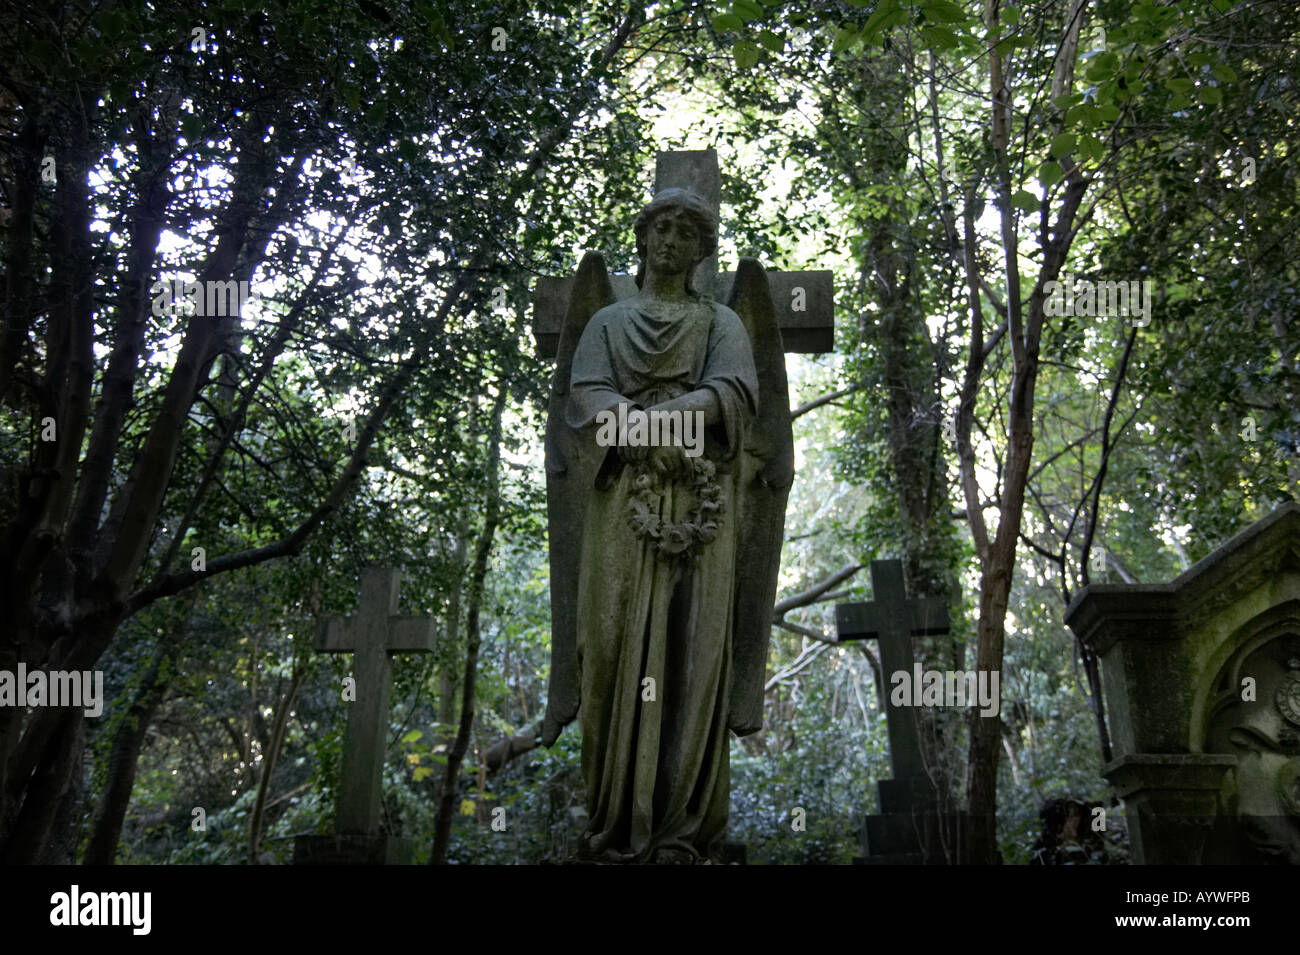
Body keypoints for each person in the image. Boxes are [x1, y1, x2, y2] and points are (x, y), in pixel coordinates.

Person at [561, 188, 758, 863]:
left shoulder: (721, 323)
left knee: (692, 650)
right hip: (623, 499)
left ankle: (679, 828)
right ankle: (616, 816)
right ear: (642, 238)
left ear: (703, 251)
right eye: (660, 227)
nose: (670, 240)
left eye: (686, 232)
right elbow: (586, 395)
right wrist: (640, 426)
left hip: (700, 505)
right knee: (610, 644)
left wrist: (664, 423)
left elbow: (732, 394)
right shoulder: (607, 323)